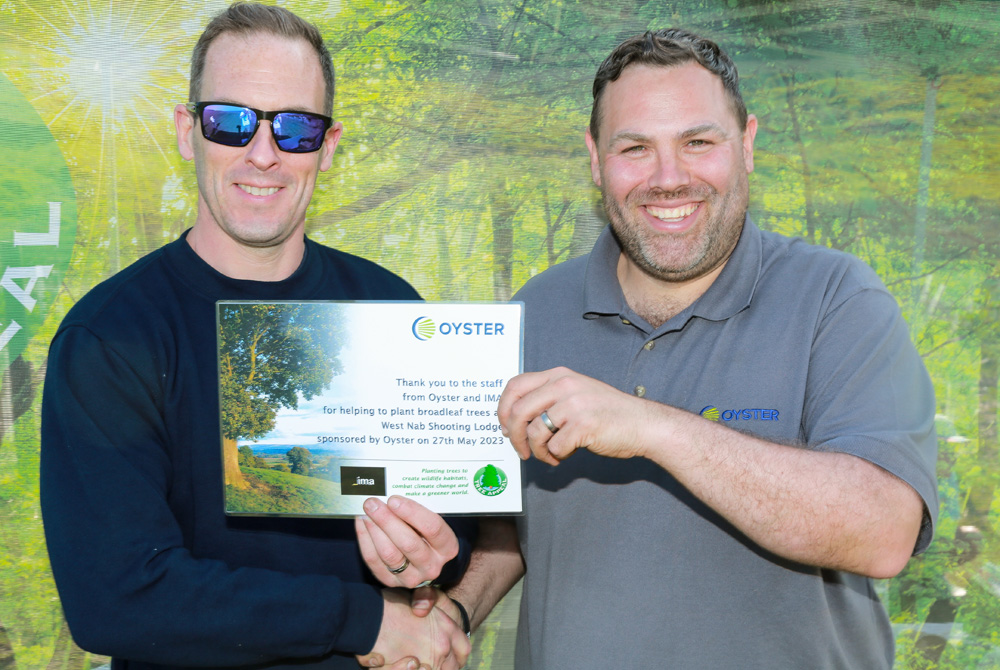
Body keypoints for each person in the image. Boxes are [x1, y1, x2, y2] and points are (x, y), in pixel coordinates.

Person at [433, 28, 940, 669]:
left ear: (747, 145)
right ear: (595, 159)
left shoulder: (838, 299)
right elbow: (516, 522)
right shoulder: (535, 313)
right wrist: (455, 613)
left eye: (698, 142)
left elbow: (884, 531)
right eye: (635, 148)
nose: (669, 178)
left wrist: (649, 426)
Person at [40, 3, 472, 669]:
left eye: (295, 128)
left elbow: (458, 528)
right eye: (231, 122)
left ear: (327, 148)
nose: (262, 154)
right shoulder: (110, 336)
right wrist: (361, 620)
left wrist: (435, 552)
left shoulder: (392, 310)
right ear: (188, 132)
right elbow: (116, 597)